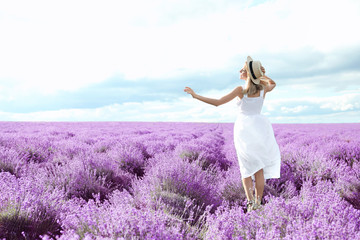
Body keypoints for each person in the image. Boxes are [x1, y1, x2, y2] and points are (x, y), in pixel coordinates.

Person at [184, 56, 281, 212]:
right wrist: (262, 75)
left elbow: (217, 102)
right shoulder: (263, 89)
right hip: (260, 128)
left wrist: (196, 96)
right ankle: (258, 203)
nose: (239, 71)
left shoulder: (240, 90)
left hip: (244, 129)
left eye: (242, 69)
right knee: (259, 168)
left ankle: (251, 204)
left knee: (246, 166)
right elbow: (273, 83)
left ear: (248, 74)